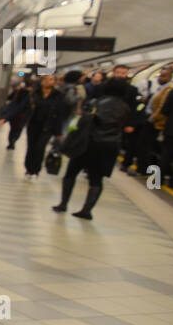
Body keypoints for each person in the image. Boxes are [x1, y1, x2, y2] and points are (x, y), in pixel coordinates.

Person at [53, 77, 134, 219]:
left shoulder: (96, 102)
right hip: (108, 146)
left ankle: (63, 203)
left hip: (87, 143)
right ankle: (87, 210)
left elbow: (84, 121)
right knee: (96, 179)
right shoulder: (126, 108)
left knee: (71, 173)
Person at [23, 73, 68, 179]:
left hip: (48, 126)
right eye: (46, 79)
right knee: (31, 147)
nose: (48, 81)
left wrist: (58, 132)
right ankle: (28, 169)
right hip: (33, 125)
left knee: (40, 147)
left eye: (51, 79)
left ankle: (36, 170)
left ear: (55, 82)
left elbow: (60, 114)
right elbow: (24, 107)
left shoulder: (58, 95)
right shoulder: (34, 93)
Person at [0, 76, 32, 150]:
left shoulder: (18, 91)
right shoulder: (31, 94)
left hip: (15, 114)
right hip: (23, 115)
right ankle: (14, 140)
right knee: (19, 129)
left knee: (12, 129)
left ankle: (11, 142)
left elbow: (10, 98)